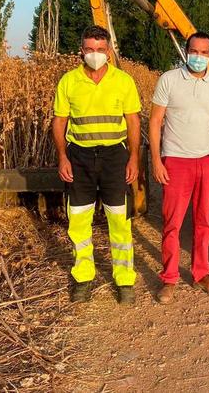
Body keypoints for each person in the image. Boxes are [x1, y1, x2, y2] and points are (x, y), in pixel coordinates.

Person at [52, 25, 142, 305]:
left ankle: (124, 280)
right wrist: (62, 156)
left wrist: (134, 157)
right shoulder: (68, 81)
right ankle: (83, 277)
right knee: (78, 221)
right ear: (82, 50)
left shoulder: (123, 81)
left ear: (109, 52)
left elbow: (133, 121)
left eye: (100, 50)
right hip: (79, 158)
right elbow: (59, 122)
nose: (95, 55)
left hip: (115, 157)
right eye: (90, 49)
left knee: (119, 221)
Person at [149, 31, 209, 304]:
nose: (198, 57)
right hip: (176, 161)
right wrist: (156, 160)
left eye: (204, 53)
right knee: (172, 223)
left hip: (207, 161)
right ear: (186, 52)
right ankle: (169, 278)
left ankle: (201, 274)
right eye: (194, 51)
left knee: (203, 222)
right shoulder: (169, 80)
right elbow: (155, 121)